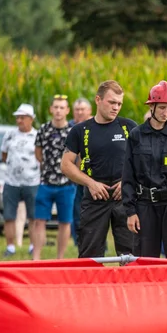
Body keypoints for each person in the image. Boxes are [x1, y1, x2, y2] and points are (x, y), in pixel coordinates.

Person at [62, 81, 138, 258]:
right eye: (112, 102)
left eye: (119, 104)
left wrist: (128, 182)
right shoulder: (80, 130)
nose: (116, 107)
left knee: (131, 254)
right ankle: (90, 285)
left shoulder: (129, 127)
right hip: (95, 197)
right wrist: (90, 183)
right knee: (90, 255)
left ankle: (129, 285)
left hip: (125, 198)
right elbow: (66, 165)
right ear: (98, 99)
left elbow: (143, 162)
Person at [122, 81, 167, 259]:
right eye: (162, 107)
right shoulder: (136, 135)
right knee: (144, 260)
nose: (166, 112)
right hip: (145, 205)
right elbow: (128, 176)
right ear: (152, 107)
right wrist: (130, 212)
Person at [32, 95, 75, 260]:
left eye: (61, 107)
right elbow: (38, 153)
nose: (58, 111)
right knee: (39, 220)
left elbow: (77, 157)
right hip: (46, 183)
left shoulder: (72, 131)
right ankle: (36, 257)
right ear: (51, 109)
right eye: (55, 107)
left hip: (66, 184)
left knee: (65, 222)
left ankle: (60, 258)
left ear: (67, 110)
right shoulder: (43, 129)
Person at [1, 104, 40, 257]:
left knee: (33, 216)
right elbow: (4, 155)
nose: (19, 120)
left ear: (31, 119)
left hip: (32, 181)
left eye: (22, 117)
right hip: (12, 181)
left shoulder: (37, 136)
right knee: (9, 215)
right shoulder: (9, 134)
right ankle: (10, 247)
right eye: (17, 117)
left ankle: (32, 245)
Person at [69, 97, 93, 248]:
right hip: (74, 178)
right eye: (77, 110)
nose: (79, 112)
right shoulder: (70, 127)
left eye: (82, 109)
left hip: (93, 178)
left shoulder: (95, 126)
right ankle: (79, 242)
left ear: (89, 111)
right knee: (76, 213)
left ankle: (100, 244)